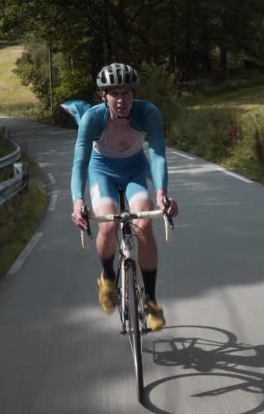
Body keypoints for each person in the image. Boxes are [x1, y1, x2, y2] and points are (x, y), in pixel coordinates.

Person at [65, 62, 179, 331]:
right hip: (101, 171)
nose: (121, 100)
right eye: (114, 93)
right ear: (103, 96)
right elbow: (80, 162)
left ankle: (150, 300)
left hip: (135, 171)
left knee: (144, 224)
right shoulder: (93, 118)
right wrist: (77, 199)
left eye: (127, 93)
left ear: (133, 94)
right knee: (108, 225)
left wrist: (162, 192)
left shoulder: (147, 112)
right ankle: (107, 276)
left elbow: (158, 152)